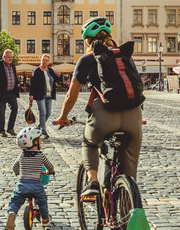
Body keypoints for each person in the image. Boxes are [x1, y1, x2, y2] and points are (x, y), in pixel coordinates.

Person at [53, 17, 143, 199]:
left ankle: (92, 181)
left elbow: (71, 95)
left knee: (89, 143)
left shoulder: (87, 59)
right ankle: (129, 199)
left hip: (105, 115)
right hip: (134, 117)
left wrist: (63, 116)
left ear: (87, 40)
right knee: (130, 164)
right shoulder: (124, 56)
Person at [6, 126, 55, 230]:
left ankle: (12, 213)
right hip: (36, 185)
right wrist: (49, 172)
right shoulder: (40, 155)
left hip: (22, 184)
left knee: (15, 200)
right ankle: (45, 219)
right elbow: (50, 166)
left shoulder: (22, 155)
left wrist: (18, 173)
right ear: (34, 142)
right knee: (42, 201)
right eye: (39, 140)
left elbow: (14, 167)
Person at [0, 49, 20, 137]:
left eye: (11, 57)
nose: (10, 59)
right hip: (1, 92)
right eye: (8, 57)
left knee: (15, 108)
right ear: (4, 57)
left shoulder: (13, 65)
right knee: (2, 112)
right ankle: (1, 130)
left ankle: (10, 128)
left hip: (11, 92)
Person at [29, 54, 59, 139]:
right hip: (40, 95)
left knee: (48, 113)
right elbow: (33, 84)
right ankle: (43, 131)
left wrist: (59, 75)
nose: (44, 61)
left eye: (46, 60)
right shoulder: (36, 71)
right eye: (43, 60)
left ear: (48, 61)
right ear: (40, 60)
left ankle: (39, 127)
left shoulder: (50, 70)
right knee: (43, 112)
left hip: (49, 95)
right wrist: (31, 94)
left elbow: (56, 80)